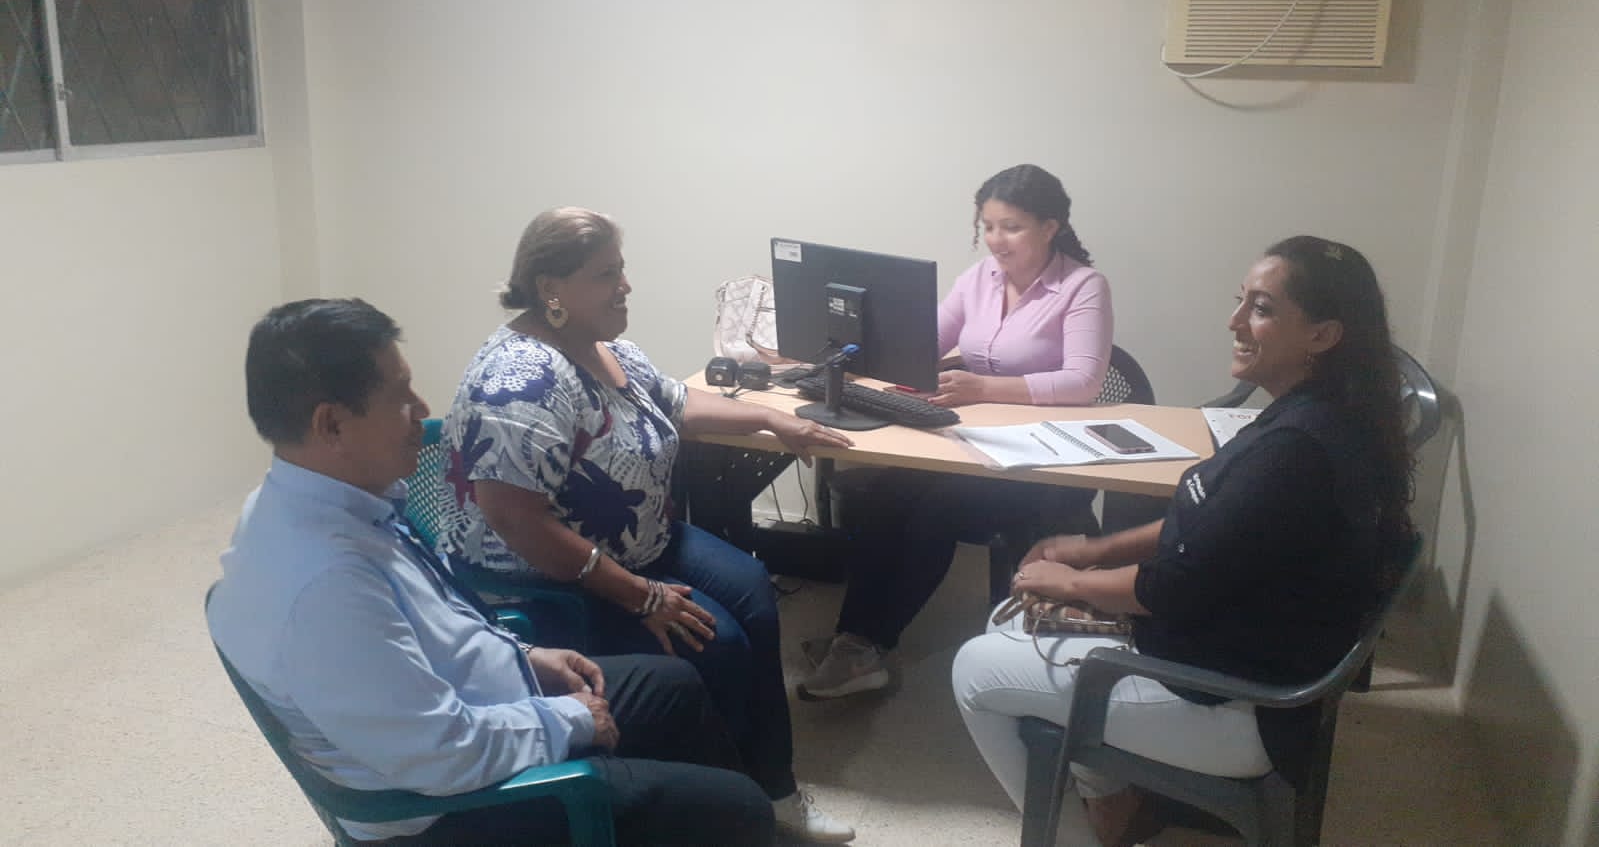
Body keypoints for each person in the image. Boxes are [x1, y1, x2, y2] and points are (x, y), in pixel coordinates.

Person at [207, 298, 776, 846]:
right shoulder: (325, 586)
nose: (422, 410)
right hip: (457, 809)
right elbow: (437, 755)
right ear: (330, 424)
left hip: (485, 703)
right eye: (400, 396)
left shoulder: (310, 502)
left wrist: (525, 656)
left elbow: (434, 623)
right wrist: (570, 721)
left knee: (675, 687)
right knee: (740, 810)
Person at [950, 236, 1415, 846]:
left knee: (975, 668)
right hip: (1241, 655)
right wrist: (1090, 552)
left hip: (1238, 706)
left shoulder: (1295, 454)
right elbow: (1207, 521)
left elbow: (1166, 588)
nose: (1235, 321)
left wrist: (1074, 581)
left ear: (1323, 335)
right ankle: (1113, 805)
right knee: (1010, 623)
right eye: (1240, 300)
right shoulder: (1319, 416)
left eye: (1261, 308)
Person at [438, 207, 858, 843]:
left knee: (753, 589)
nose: (626, 286)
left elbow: (678, 402)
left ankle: (773, 786)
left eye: (622, 269)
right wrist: (640, 596)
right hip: (550, 575)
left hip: (641, 543)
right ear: (551, 288)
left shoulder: (606, 350)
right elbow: (515, 520)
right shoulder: (519, 383)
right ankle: (728, 802)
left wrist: (774, 420)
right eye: (606, 274)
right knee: (716, 642)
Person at [800, 163, 1114, 700]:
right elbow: (924, 344)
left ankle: (869, 644)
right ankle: (855, 639)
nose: (995, 239)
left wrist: (984, 387)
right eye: (987, 226)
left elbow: (1083, 381)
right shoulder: (979, 279)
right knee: (882, 495)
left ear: (1050, 227)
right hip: (970, 445)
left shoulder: (1082, 286)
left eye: (1011, 227)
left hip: (1038, 464)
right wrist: (859, 347)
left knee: (936, 508)